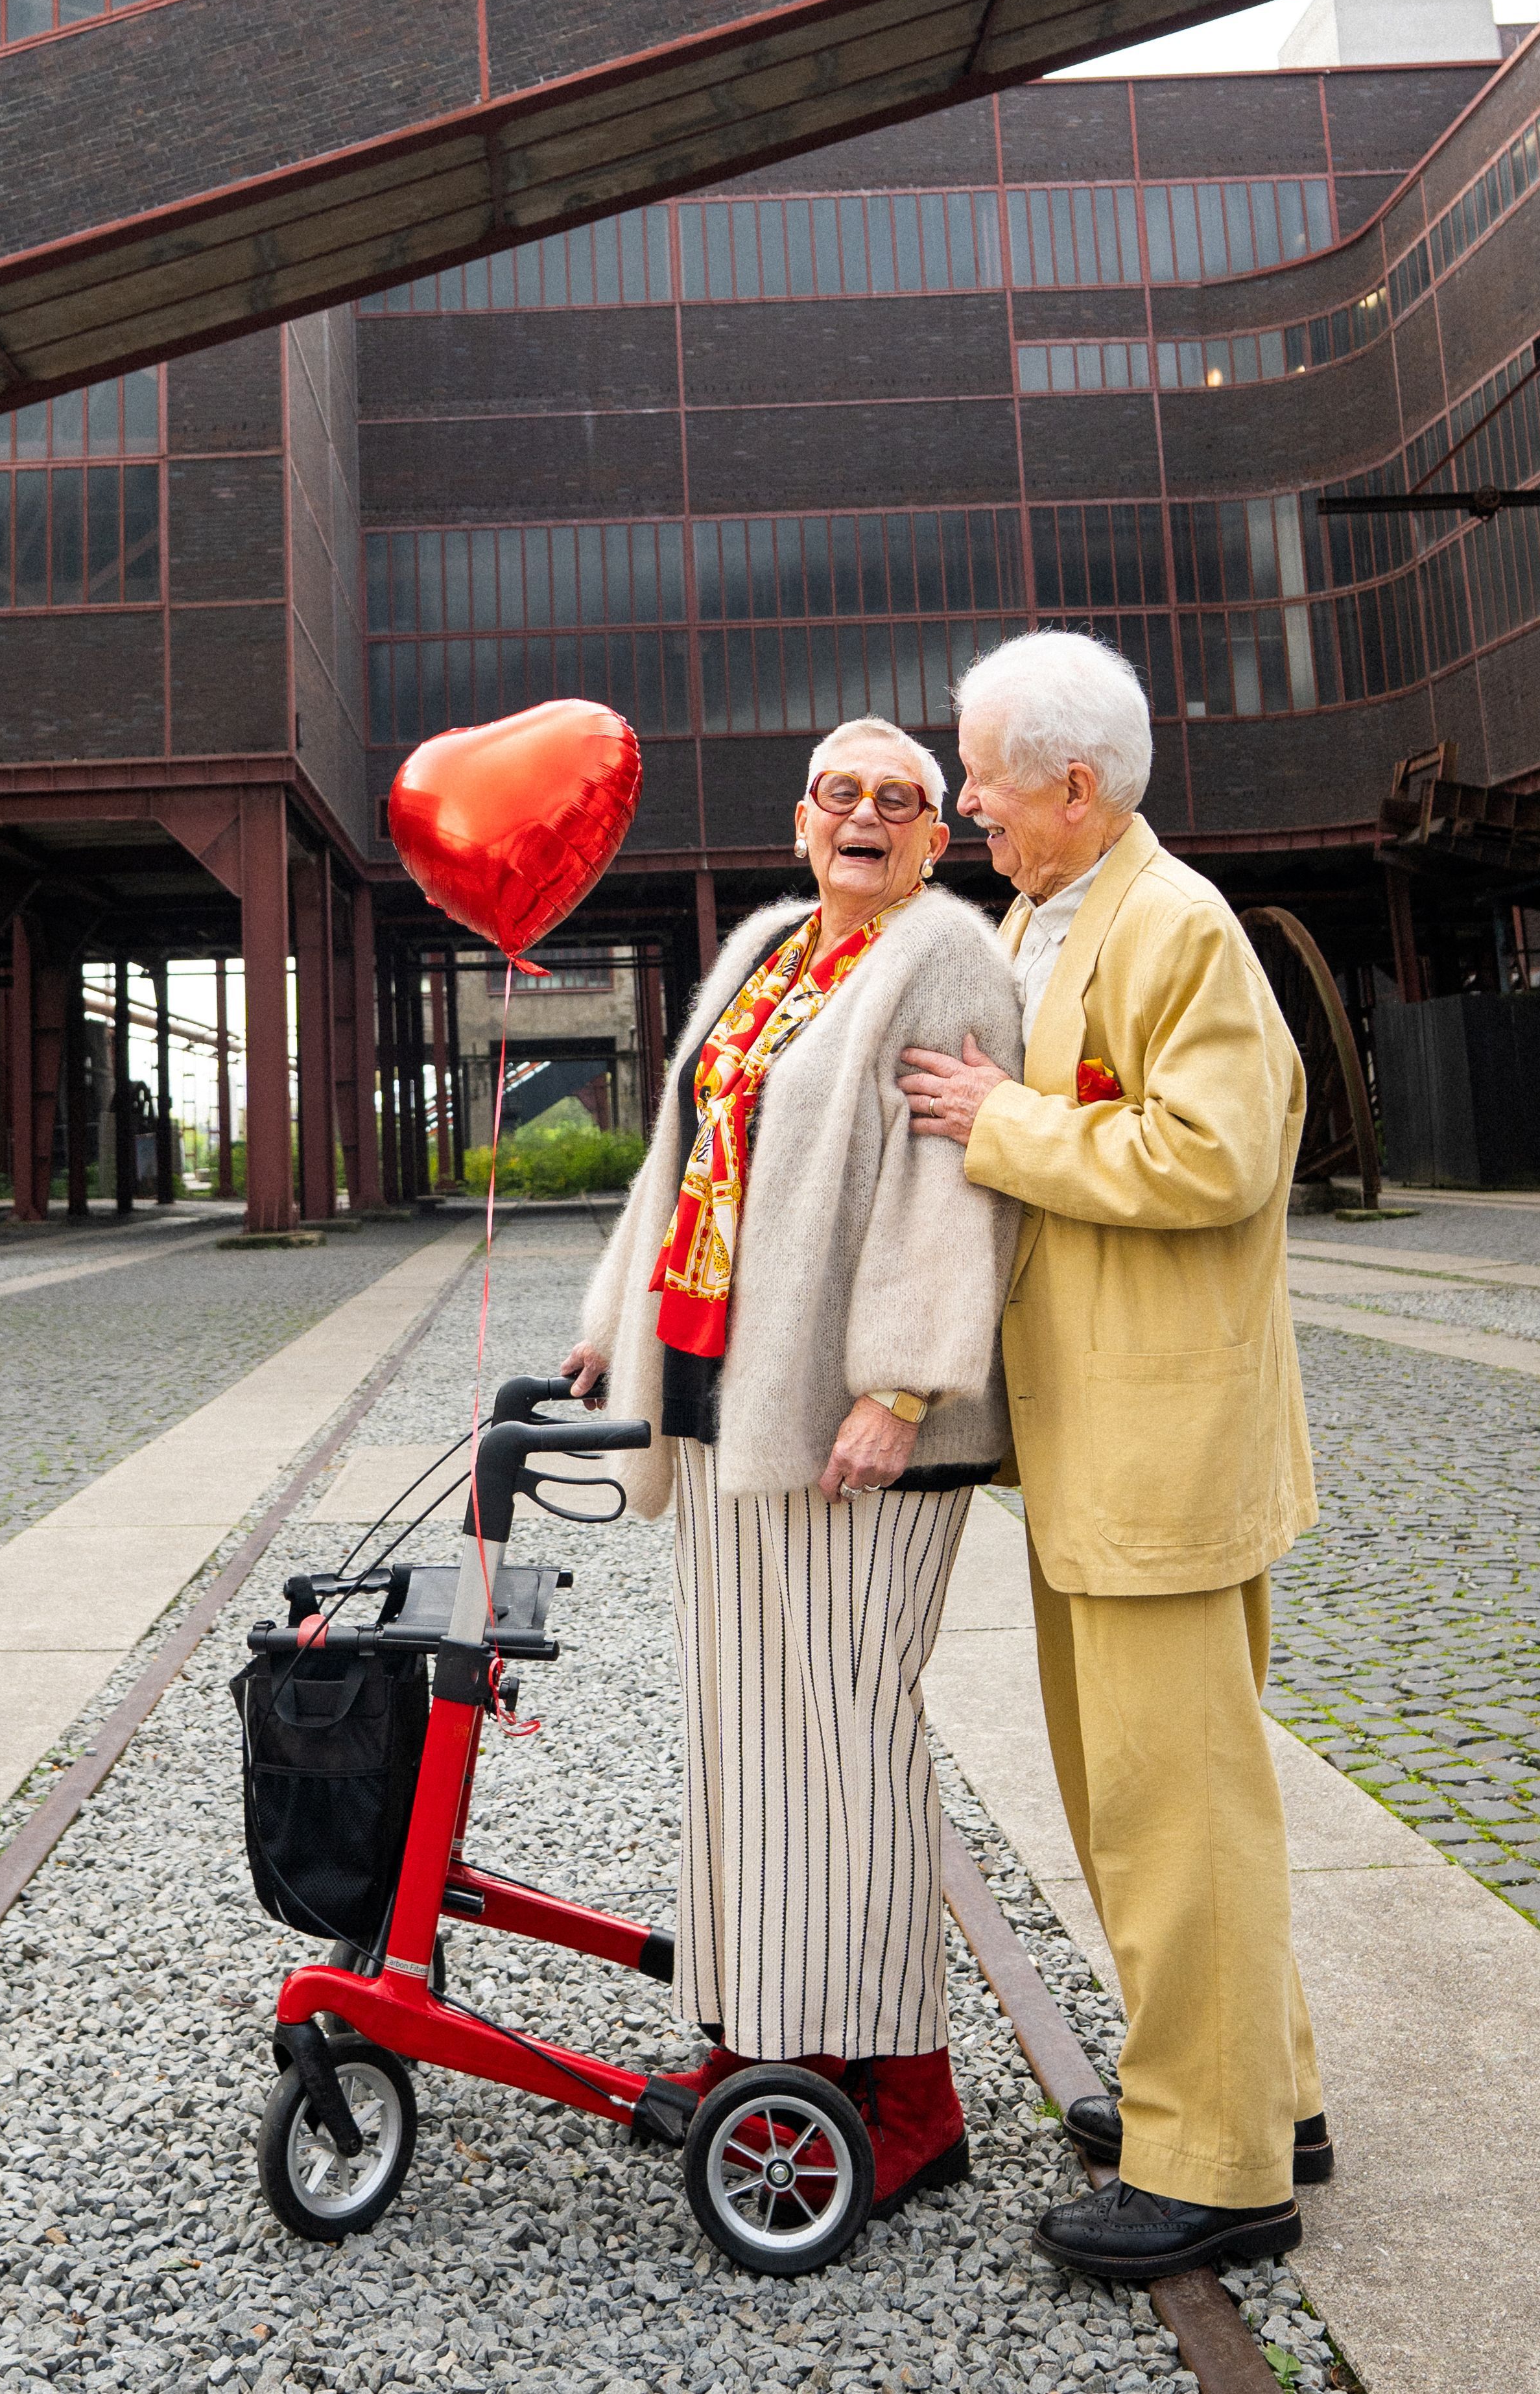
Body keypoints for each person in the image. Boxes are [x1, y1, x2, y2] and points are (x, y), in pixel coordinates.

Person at [897, 630, 1326, 2284]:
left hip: (1160, 1444)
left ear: (1076, 787)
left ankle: (1217, 2165)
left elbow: (1219, 1154)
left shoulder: (1174, 922)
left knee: (1172, 1808)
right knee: (1151, 1795)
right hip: (1109, 1440)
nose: (964, 796)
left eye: (984, 770)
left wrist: (997, 1122)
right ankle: (1249, 2093)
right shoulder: (1058, 908)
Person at [560, 715, 1022, 2214]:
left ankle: (907, 2086)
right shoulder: (768, 943)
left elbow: (952, 1187)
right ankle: (766, 2036)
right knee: (748, 1743)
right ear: (801, 818)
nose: (868, 818)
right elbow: (681, 1150)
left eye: (902, 801)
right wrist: (608, 1329)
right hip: (722, 1403)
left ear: (937, 838)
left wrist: (903, 1382)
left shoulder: (946, 957)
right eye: (843, 795)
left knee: (848, 1736)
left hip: (850, 1424)